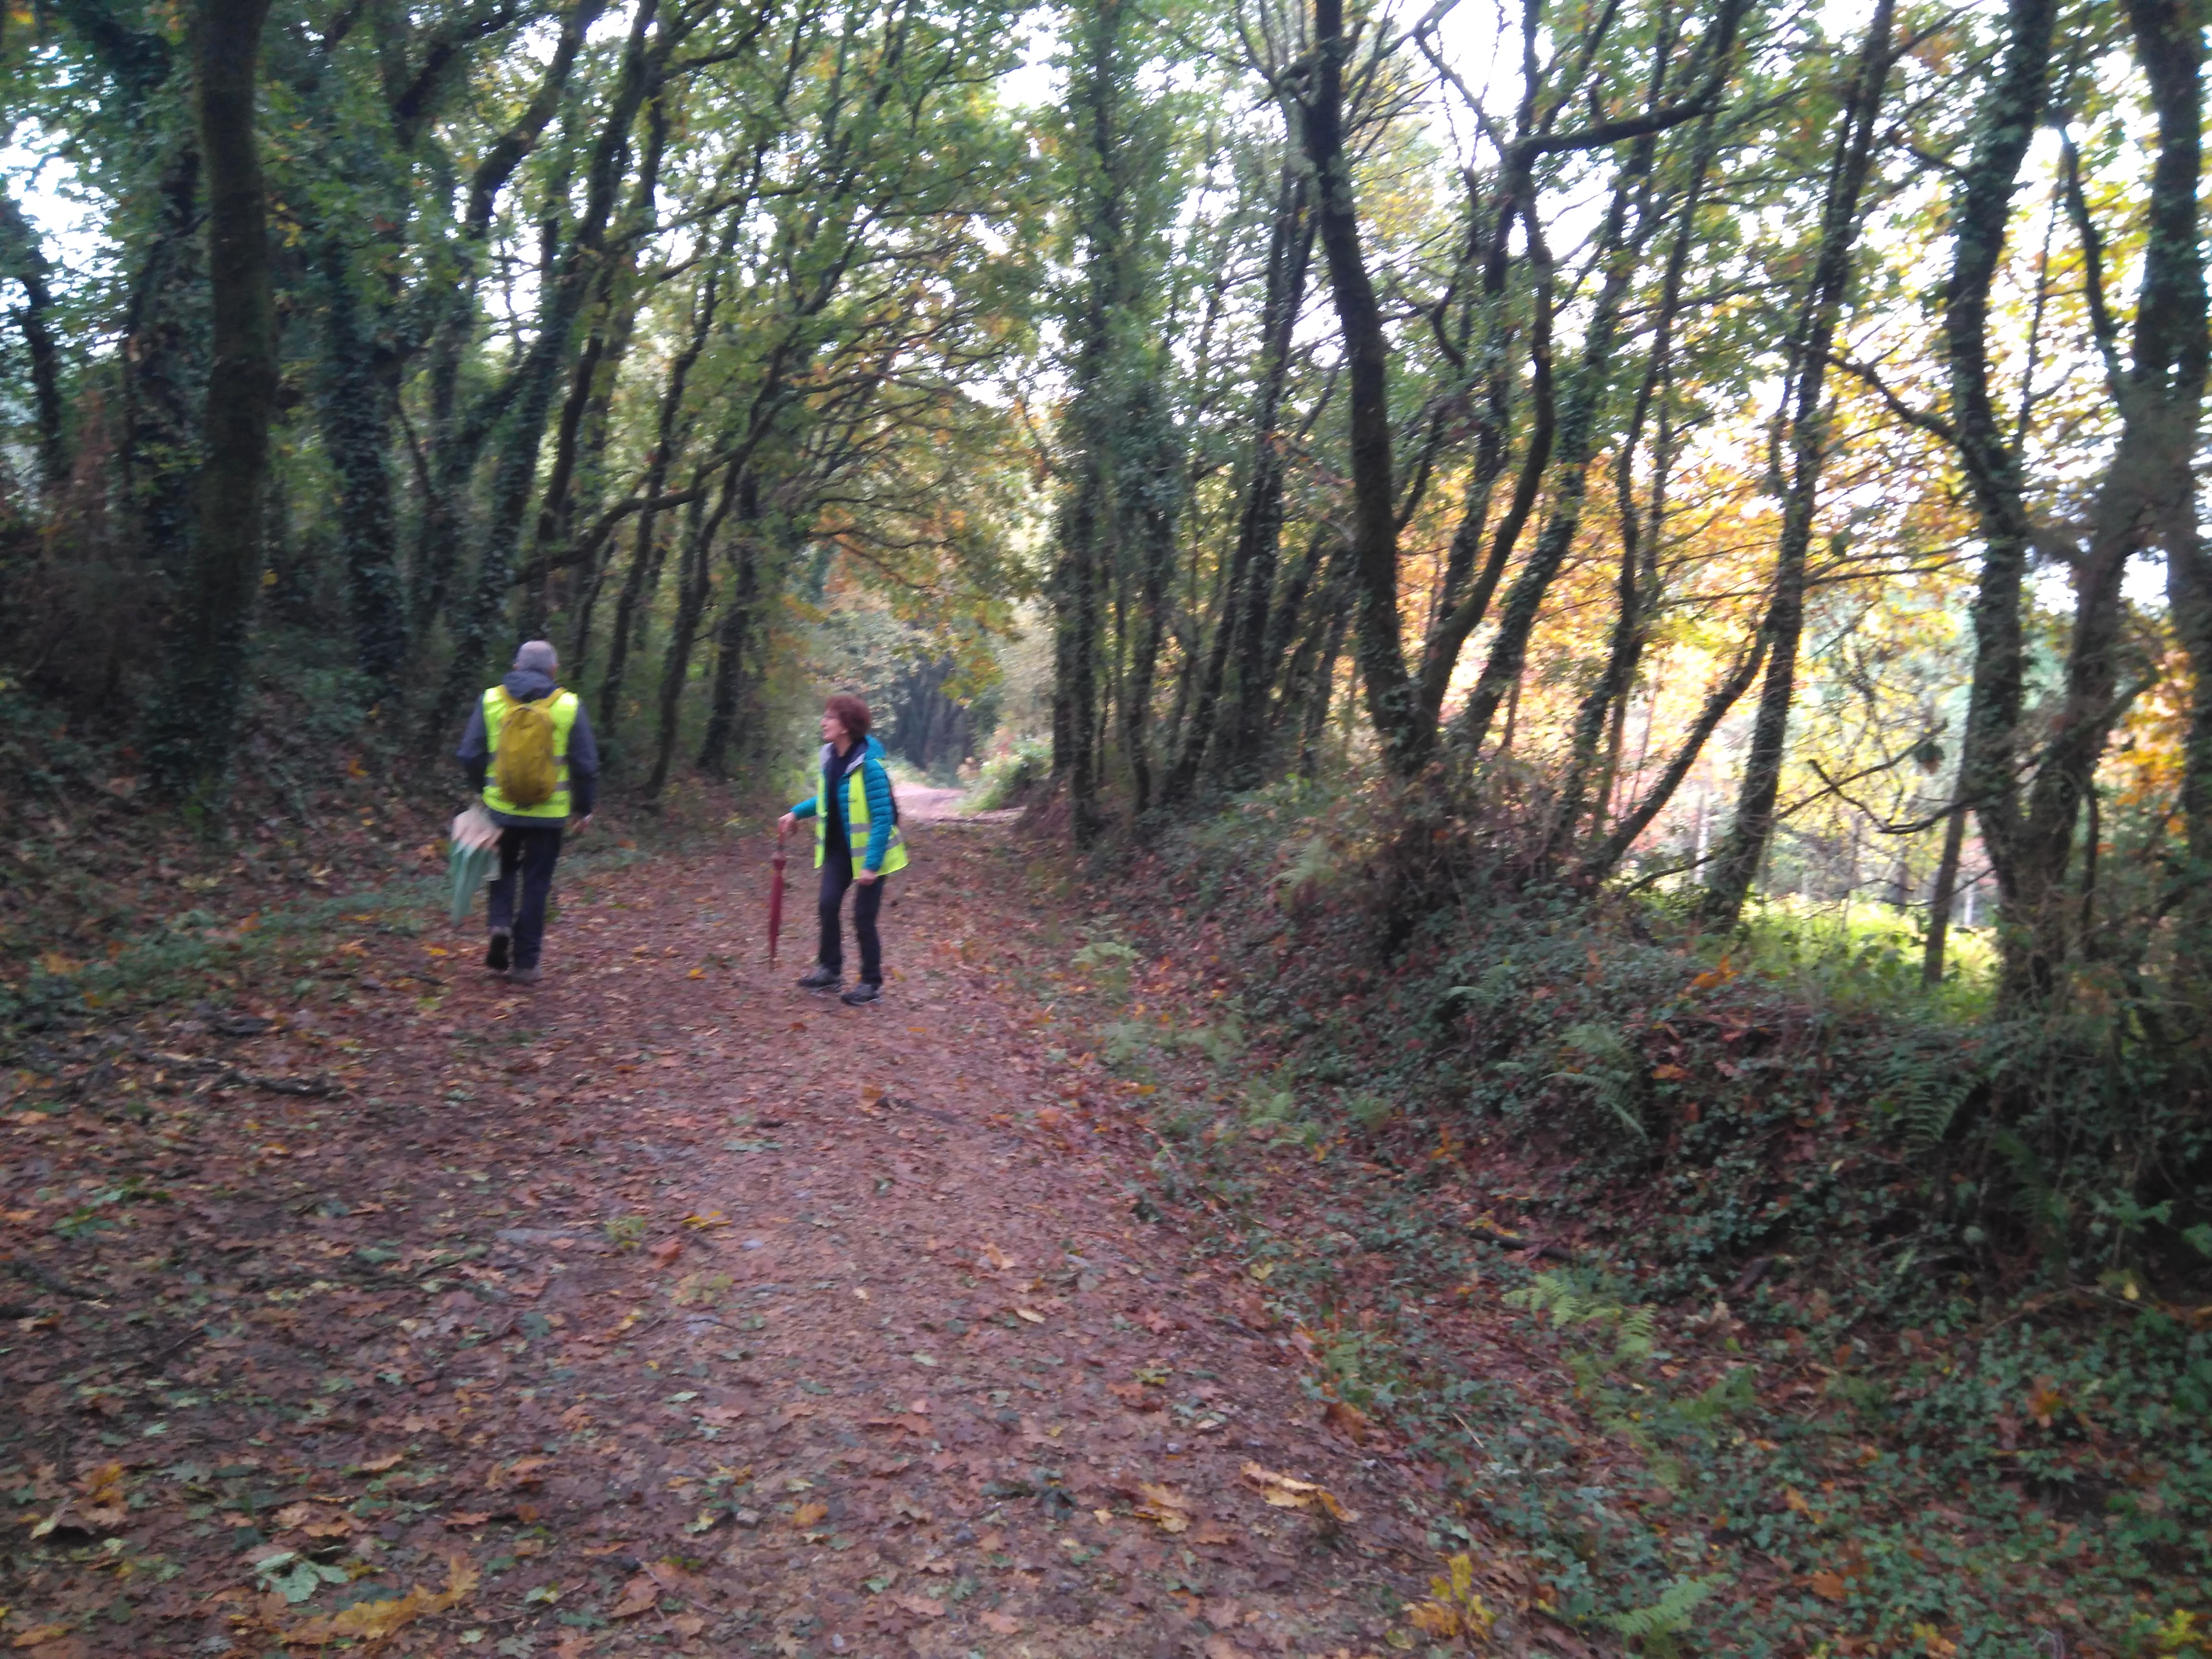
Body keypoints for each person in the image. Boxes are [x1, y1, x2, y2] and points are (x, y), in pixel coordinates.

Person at [454, 640, 599, 985]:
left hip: (500, 809)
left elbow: (469, 754)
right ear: (554, 670)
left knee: (500, 872)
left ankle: (500, 923)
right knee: (537, 885)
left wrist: (483, 789)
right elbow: (586, 764)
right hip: (549, 816)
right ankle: (526, 964)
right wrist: (584, 809)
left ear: (516, 667)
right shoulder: (567, 704)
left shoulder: (491, 699)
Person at [779, 695, 907, 1005]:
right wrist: (796, 812)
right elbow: (827, 802)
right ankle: (830, 970)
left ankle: (870, 983)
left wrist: (871, 865)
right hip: (840, 850)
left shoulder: (871, 767)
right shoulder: (830, 760)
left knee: (863, 918)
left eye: (830, 718)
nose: (824, 723)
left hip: (871, 856)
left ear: (847, 726)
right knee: (827, 905)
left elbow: (883, 818)